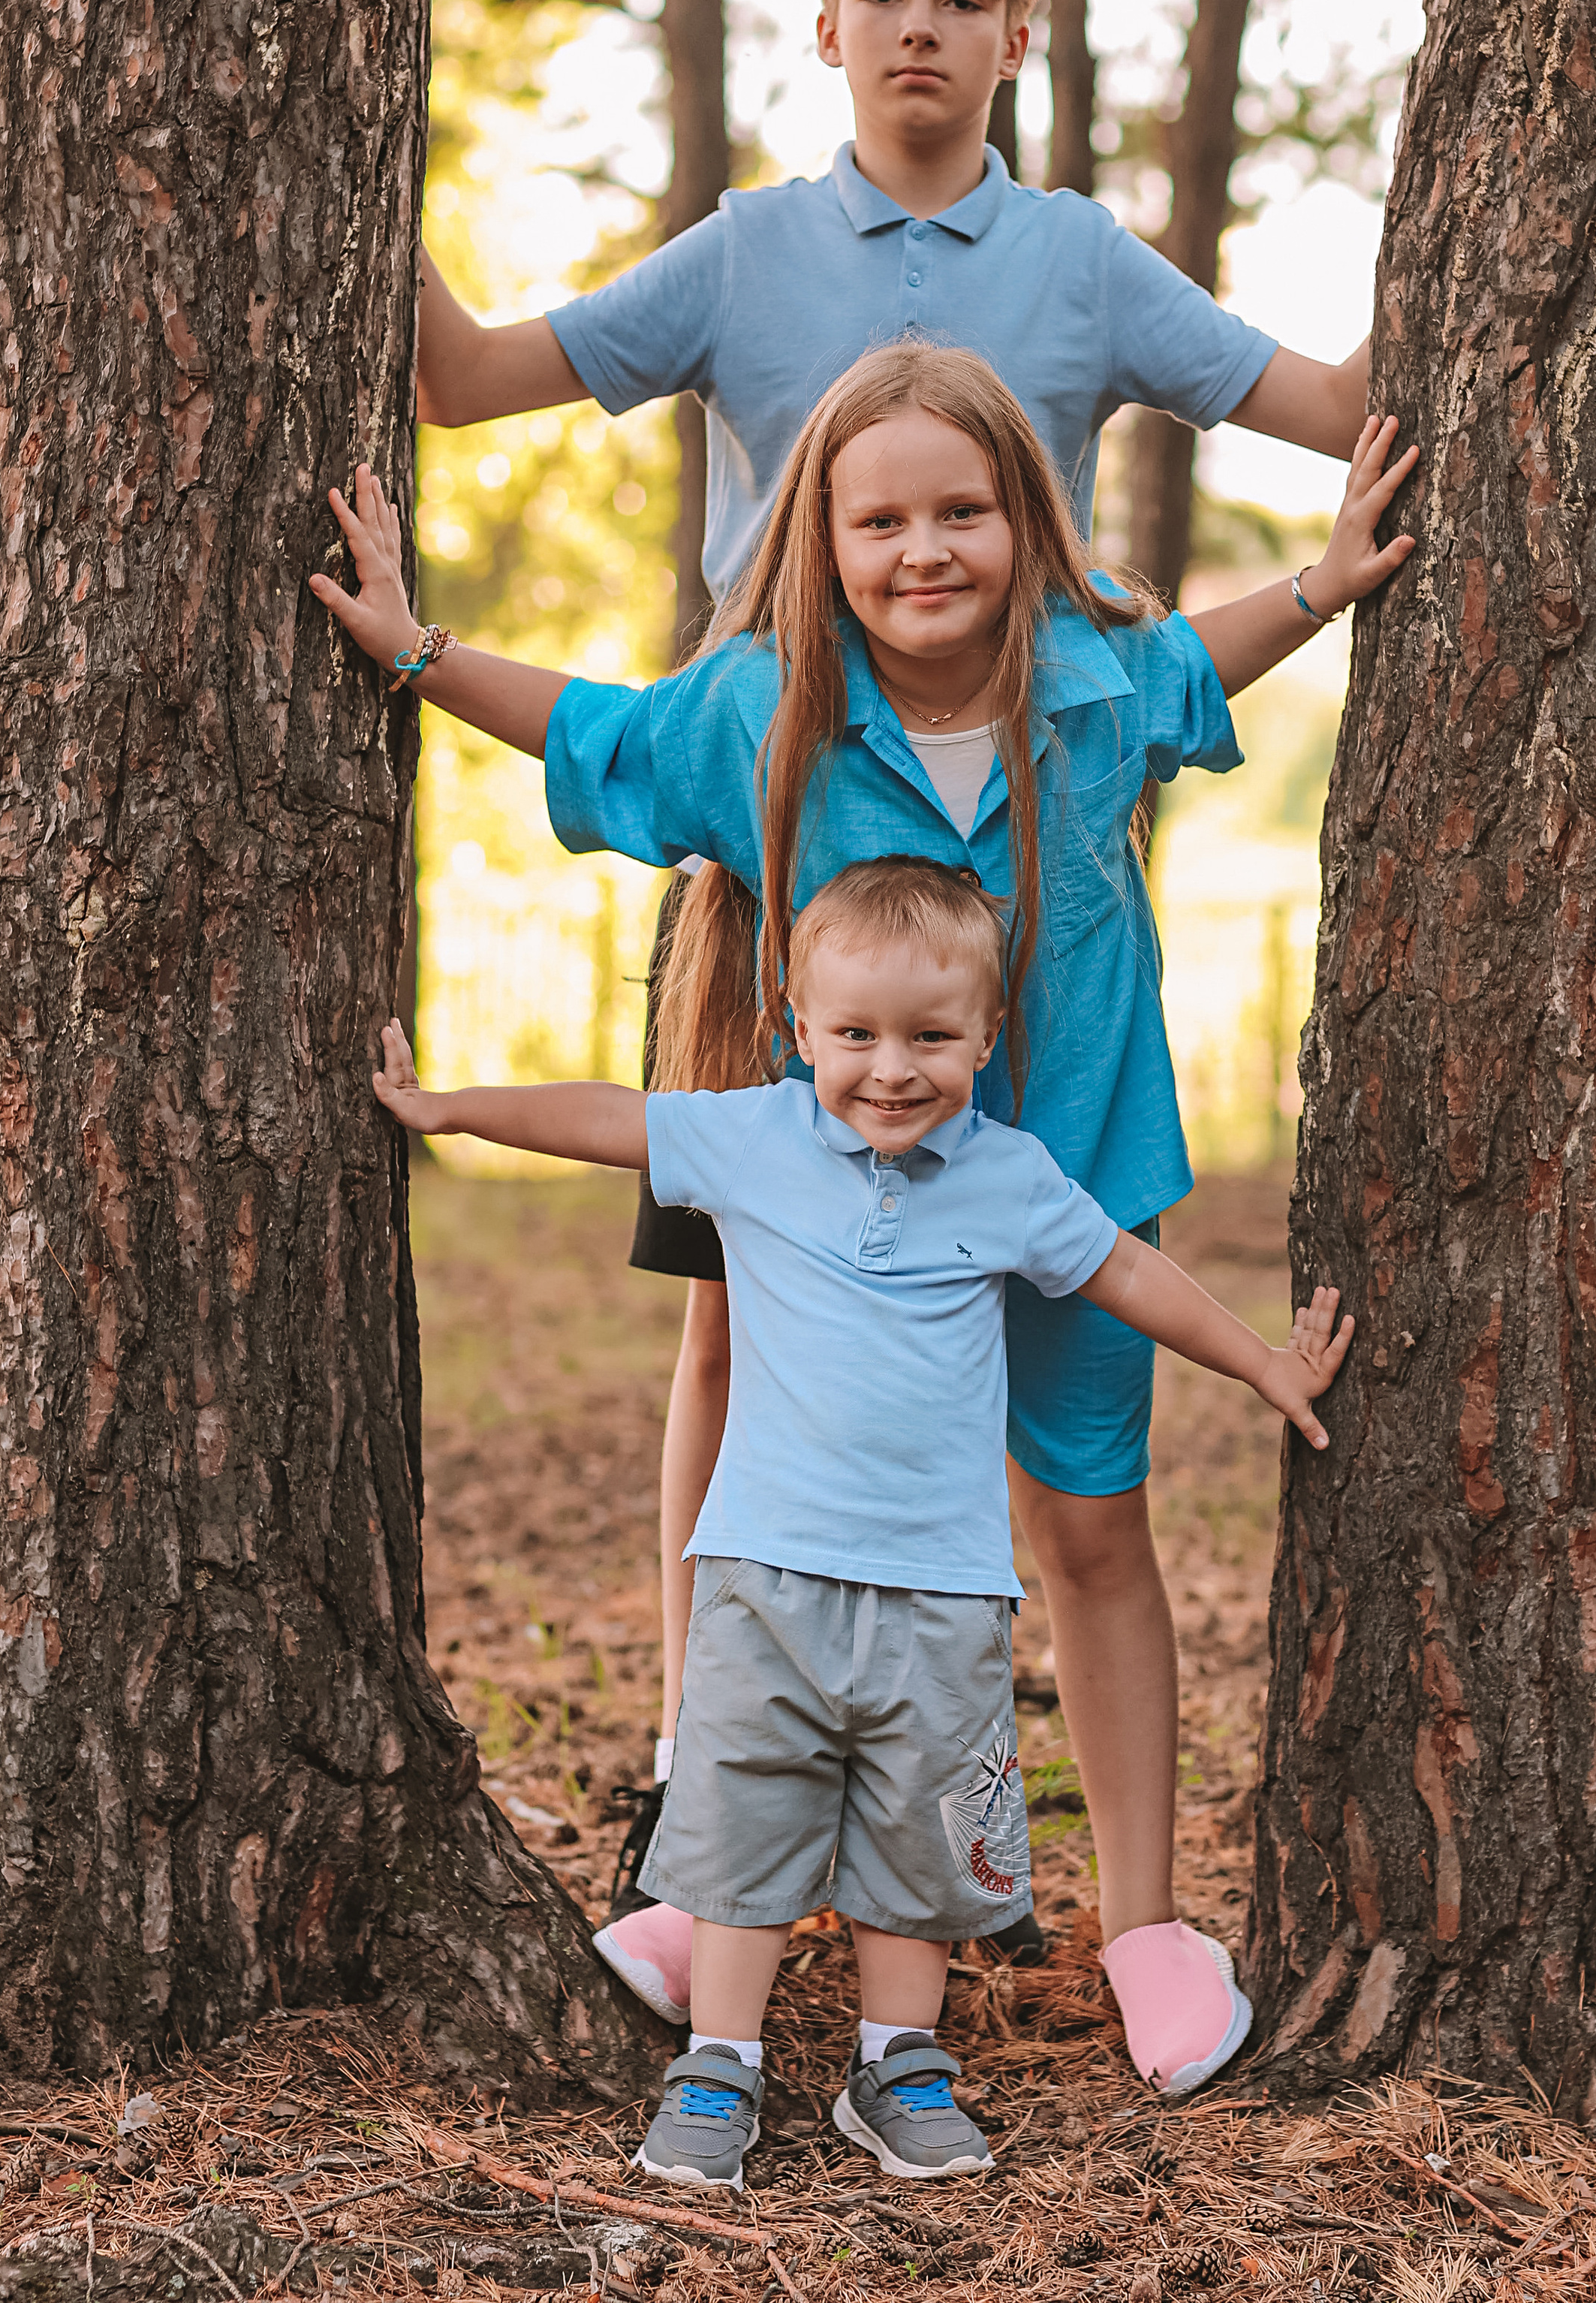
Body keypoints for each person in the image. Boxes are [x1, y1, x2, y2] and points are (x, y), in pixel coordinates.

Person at [410, 0, 1376, 1906]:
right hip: (773, 846)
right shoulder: (748, 255)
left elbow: (1335, 410)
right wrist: (351, 129)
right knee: (739, 1341)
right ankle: (708, 1768)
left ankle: (1098, 1890)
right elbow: (468, 377)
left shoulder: (1087, 267)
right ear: (829, 21)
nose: (923, 25)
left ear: (1020, 31)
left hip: (1018, 857)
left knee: (1042, 1359)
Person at [309, 339, 1415, 2094]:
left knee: (1086, 1527)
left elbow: (1205, 669)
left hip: (1064, 1181)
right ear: (820, 538)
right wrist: (420, 652)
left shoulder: (1096, 681)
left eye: (961, 510)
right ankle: (707, 1877)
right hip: (843, 1205)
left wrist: (1322, 584)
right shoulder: (766, 708)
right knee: (780, 1537)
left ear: (1021, 519)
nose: (924, 550)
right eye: (879, 517)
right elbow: (593, 729)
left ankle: (1139, 1920)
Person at [371, 856, 1354, 2186]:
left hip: (943, 1591)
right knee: (741, 1823)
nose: (892, 1070)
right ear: (797, 1023)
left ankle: (897, 2062)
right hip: (763, 1577)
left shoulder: (1009, 1178)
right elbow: (610, 1117)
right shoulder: (756, 1139)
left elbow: (1130, 1272)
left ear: (987, 1038)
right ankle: (720, 2065)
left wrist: (1263, 1364)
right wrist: (447, 1110)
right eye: (857, 1037)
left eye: (932, 1038)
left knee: (918, 1837)